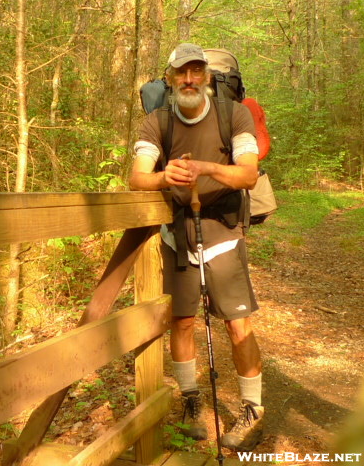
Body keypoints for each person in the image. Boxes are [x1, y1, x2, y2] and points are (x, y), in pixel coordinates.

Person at [129, 43, 264, 452]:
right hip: (177, 233)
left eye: (196, 71)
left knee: (237, 323)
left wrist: (204, 168)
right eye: (180, 73)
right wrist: (164, 177)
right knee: (183, 320)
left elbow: (248, 175)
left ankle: (253, 409)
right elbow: (138, 178)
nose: (189, 79)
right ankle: (191, 401)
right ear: (169, 79)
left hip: (222, 232)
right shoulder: (158, 122)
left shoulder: (233, 115)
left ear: (206, 76)